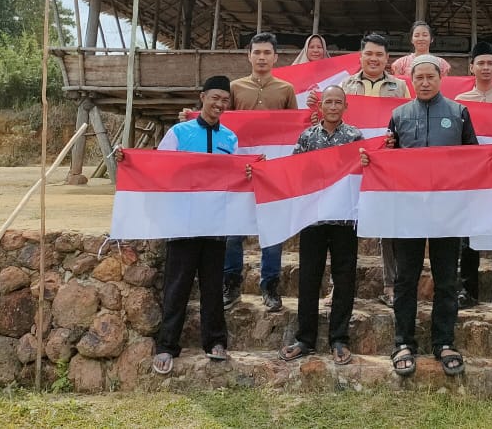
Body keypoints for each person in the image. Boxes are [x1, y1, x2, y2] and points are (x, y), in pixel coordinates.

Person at [360, 55, 478, 378]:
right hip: (407, 211)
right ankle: (403, 343)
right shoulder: (398, 115)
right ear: (411, 81)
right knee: (405, 278)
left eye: (430, 77)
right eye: (419, 78)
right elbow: (388, 156)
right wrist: (376, 156)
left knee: (446, 279)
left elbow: (473, 158)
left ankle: (444, 342)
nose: (425, 82)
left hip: (446, 211)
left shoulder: (459, 113)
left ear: (440, 78)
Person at [113, 76, 238, 375]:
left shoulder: (231, 139)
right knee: (177, 285)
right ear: (202, 97)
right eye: (215, 97)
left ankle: (215, 342)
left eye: (224, 99)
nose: (219, 104)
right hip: (182, 223)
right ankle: (167, 345)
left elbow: (235, 176)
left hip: (215, 225)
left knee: (211, 286)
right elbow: (158, 166)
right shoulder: (179, 133)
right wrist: (128, 158)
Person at [278, 86, 364, 366]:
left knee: (344, 278)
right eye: (329, 101)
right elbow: (295, 171)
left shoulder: (355, 137)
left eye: (339, 102)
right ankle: (305, 338)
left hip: (343, 221)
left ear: (346, 106)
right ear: (320, 106)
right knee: (308, 279)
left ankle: (339, 338)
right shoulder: (307, 137)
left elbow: (362, 173)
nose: (333, 106)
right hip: (312, 220)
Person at [224, 32, 298, 312]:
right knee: (233, 231)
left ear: (275, 57)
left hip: (273, 172)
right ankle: (231, 284)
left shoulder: (286, 89)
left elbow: (294, 130)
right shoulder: (235, 88)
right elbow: (223, 124)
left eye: (267, 53)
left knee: (272, 230)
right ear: (249, 56)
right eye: (257, 52)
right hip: (239, 171)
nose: (262, 57)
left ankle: (270, 286)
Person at [339, 32, 409, 307]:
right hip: (351, 165)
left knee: (388, 227)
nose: (374, 59)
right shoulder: (346, 85)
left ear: (387, 58)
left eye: (379, 54)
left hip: (385, 166)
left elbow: (404, 123)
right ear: (361, 56)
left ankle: (391, 285)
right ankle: (339, 287)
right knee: (344, 225)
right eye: (369, 53)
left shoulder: (400, 87)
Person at [454, 41, 492, 309]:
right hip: (471, 178)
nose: (486, 67)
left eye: (490, 63)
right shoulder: (461, 103)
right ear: (472, 67)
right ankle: (467, 289)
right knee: (469, 236)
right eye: (481, 63)